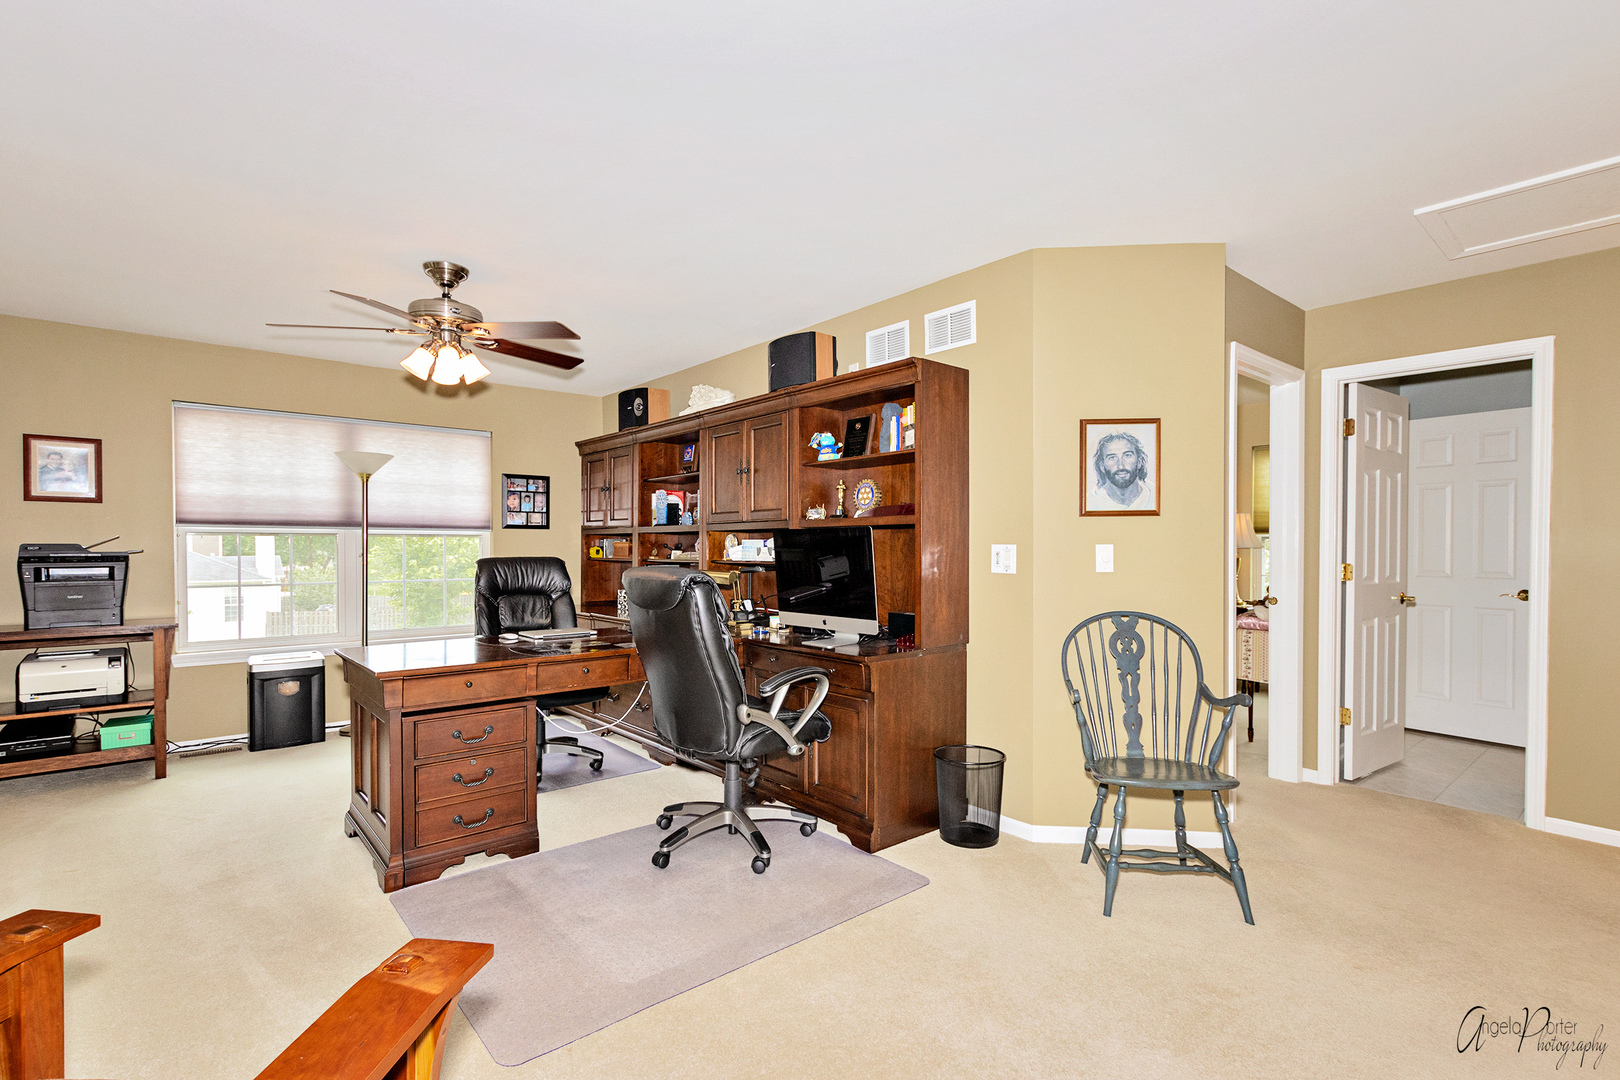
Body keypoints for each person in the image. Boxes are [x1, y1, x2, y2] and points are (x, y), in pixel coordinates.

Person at [1091, 432, 1154, 511]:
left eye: (1127, 455)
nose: (1120, 465)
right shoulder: (1089, 502)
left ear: (1139, 462)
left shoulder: (1157, 496)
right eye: (1112, 457)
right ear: (1102, 466)